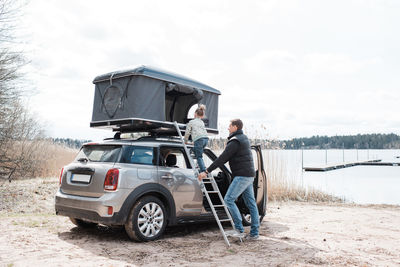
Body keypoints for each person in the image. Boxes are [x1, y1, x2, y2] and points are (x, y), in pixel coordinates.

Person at [198, 119, 259, 241]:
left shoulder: (235, 141)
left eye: (230, 126)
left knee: (228, 199)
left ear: (235, 127)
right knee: (251, 204)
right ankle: (254, 233)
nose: (228, 128)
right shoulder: (244, 138)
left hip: (242, 176)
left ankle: (239, 229)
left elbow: (222, 159)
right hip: (249, 175)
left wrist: (206, 171)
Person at [184, 104, 209, 172]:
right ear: (202, 115)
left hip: (199, 140)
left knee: (199, 156)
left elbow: (187, 132)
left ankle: (203, 170)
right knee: (198, 152)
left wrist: (185, 140)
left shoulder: (191, 122)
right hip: (206, 139)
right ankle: (200, 165)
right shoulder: (202, 122)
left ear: (195, 114)